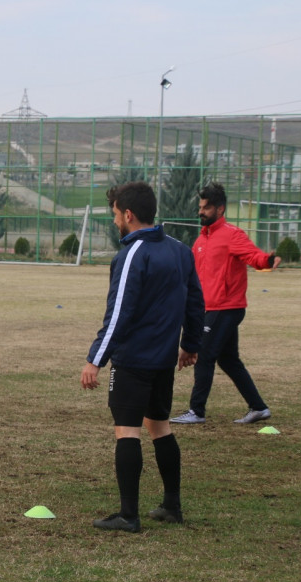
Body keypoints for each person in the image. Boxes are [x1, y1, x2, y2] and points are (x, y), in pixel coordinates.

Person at [81, 182, 204, 532]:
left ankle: (128, 516)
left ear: (129, 214)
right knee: (160, 427)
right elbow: (195, 301)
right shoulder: (180, 250)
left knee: (128, 432)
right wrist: (191, 344)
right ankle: (171, 505)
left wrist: (95, 360)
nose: (115, 220)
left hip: (133, 361)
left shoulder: (132, 254)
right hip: (164, 360)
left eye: (116, 214)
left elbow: (119, 314)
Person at [171, 182, 280, 425]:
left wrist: (266, 260)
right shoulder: (200, 240)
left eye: (206, 208)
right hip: (209, 309)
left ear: (220, 210)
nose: (201, 211)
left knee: (204, 354)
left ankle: (196, 411)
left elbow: (254, 256)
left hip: (227, 308)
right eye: (200, 207)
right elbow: (194, 276)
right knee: (229, 360)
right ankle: (259, 408)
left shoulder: (233, 235)